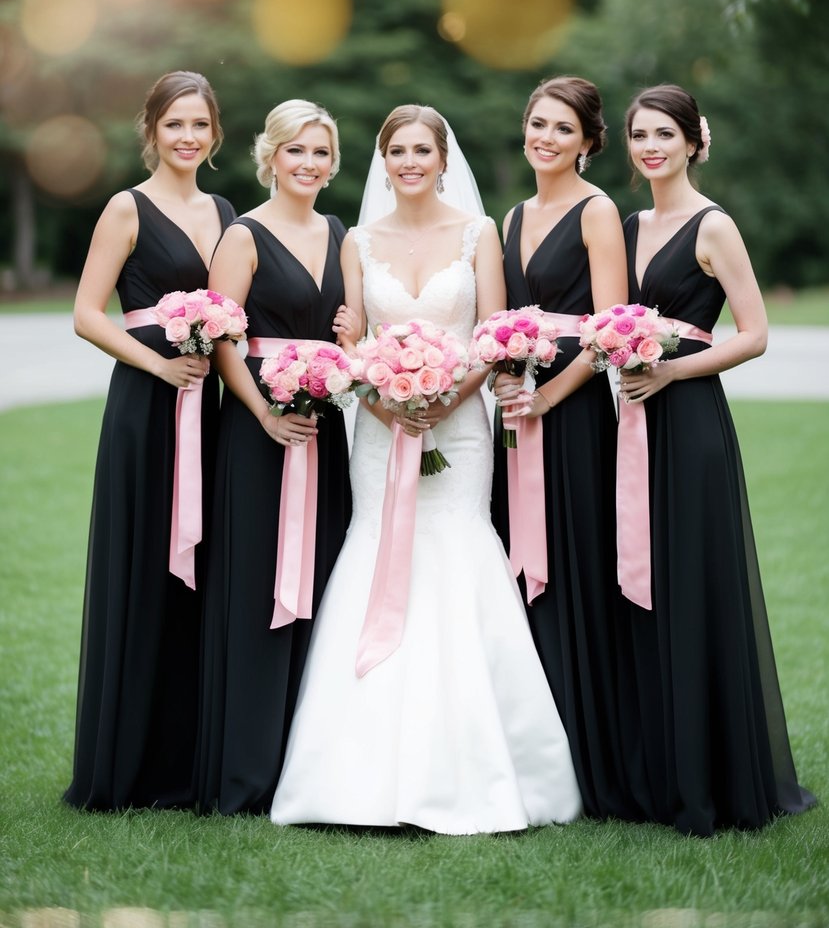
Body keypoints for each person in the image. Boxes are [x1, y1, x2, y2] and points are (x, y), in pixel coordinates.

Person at [270, 104, 582, 835]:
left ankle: (481, 764)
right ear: (382, 161)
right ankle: (354, 775)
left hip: (462, 429)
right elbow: (349, 345)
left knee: (457, 552)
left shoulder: (479, 234)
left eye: (421, 149)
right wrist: (388, 406)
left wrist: (443, 396)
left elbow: (493, 336)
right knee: (378, 550)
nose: (409, 161)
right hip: (378, 432)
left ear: (444, 159)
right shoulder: (357, 242)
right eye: (396, 150)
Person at [617, 83, 815, 835]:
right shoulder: (626, 223)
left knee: (693, 584)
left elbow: (753, 332)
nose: (650, 146)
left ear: (694, 140)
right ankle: (653, 769)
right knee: (639, 586)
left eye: (663, 133)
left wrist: (670, 369)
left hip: (688, 420)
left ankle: (712, 777)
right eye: (639, 135)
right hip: (626, 422)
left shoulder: (712, 226)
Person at [64, 70, 235, 811]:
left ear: (215, 134)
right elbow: (86, 314)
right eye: (174, 125)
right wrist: (161, 367)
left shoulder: (227, 212)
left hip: (213, 407)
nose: (187, 137)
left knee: (201, 574)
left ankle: (185, 763)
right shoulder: (125, 208)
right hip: (145, 407)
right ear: (152, 131)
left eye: (199, 125)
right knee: (141, 566)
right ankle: (126, 765)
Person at [196, 100, 352, 815]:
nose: (309, 164)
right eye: (296, 151)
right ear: (271, 155)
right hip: (257, 432)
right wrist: (261, 413)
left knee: (323, 582)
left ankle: (310, 762)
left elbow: (354, 331)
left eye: (320, 152)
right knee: (255, 584)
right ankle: (244, 768)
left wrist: (355, 331)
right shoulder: (243, 235)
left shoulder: (339, 233)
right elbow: (222, 337)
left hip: (324, 428)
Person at [491, 76, 638, 820]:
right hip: (515, 415)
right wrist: (507, 378)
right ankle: (534, 754)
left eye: (560, 128)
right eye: (536, 123)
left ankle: (593, 752)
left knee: (576, 565)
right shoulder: (513, 216)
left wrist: (548, 395)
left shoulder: (597, 211)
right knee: (519, 568)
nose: (544, 137)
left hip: (574, 418)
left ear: (586, 141)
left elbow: (610, 328)